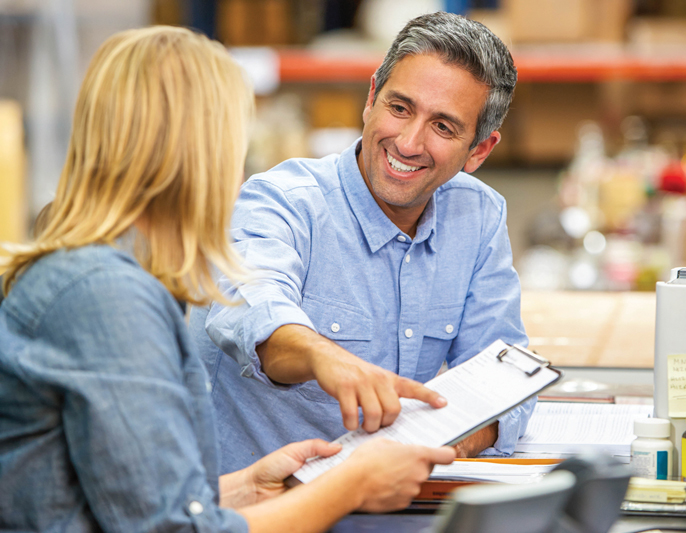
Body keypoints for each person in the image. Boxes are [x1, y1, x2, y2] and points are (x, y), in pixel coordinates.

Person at [0, 26, 455, 533]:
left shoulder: (92, 275)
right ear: (197, 152)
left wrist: (244, 488)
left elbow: (121, 495)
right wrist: (347, 487)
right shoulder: (106, 298)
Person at [190, 11, 533, 475]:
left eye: (443, 127)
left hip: (389, 505)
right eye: (400, 108)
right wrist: (322, 356)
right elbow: (252, 311)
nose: (409, 142)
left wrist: (454, 437)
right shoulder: (282, 202)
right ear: (371, 98)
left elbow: (505, 379)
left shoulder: (478, 217)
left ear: (479, 151)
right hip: (262, 510)